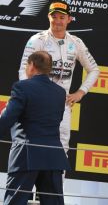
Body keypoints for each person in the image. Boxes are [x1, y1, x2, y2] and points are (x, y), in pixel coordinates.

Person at [18, 0, 99, 154]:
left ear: (69, 19)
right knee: (33, 145)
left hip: (63, 104)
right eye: (54, 16)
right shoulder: (37, 40)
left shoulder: (76, 42)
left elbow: (94, 69)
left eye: (62, 17)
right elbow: (23, 70)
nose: (57, 21)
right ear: (49, 18)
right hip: (38, 102)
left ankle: (57, 179)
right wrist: (31, 95)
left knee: (61, 148)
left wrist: (80, 92)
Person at [0, 51, 70, 205]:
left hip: (27, 155)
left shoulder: (22, 87)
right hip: (53, 156)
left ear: (31, 66)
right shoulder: (60, 92)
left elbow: (7, 119)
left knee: (15, 202)